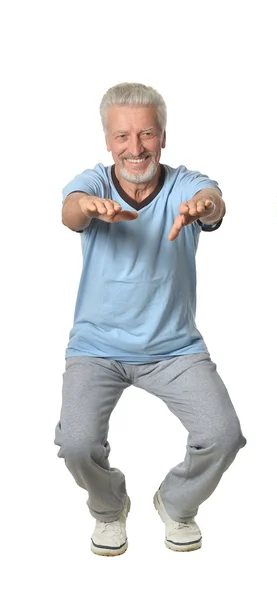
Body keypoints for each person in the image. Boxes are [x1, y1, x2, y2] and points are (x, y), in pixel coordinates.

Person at [55, 82, 246, 557]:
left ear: (163, 136)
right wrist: (88, 208)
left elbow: (212, 199)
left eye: (146, 135)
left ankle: (176, 503)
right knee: (77, 444)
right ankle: (108, 508)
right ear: (107, 140)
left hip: (174, 348)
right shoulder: (95, 183)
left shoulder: (184, 184)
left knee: (223, 435)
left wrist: (205, 207)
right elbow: (71, 210)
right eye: (122, 136)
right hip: (96, 347)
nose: (135, 148)